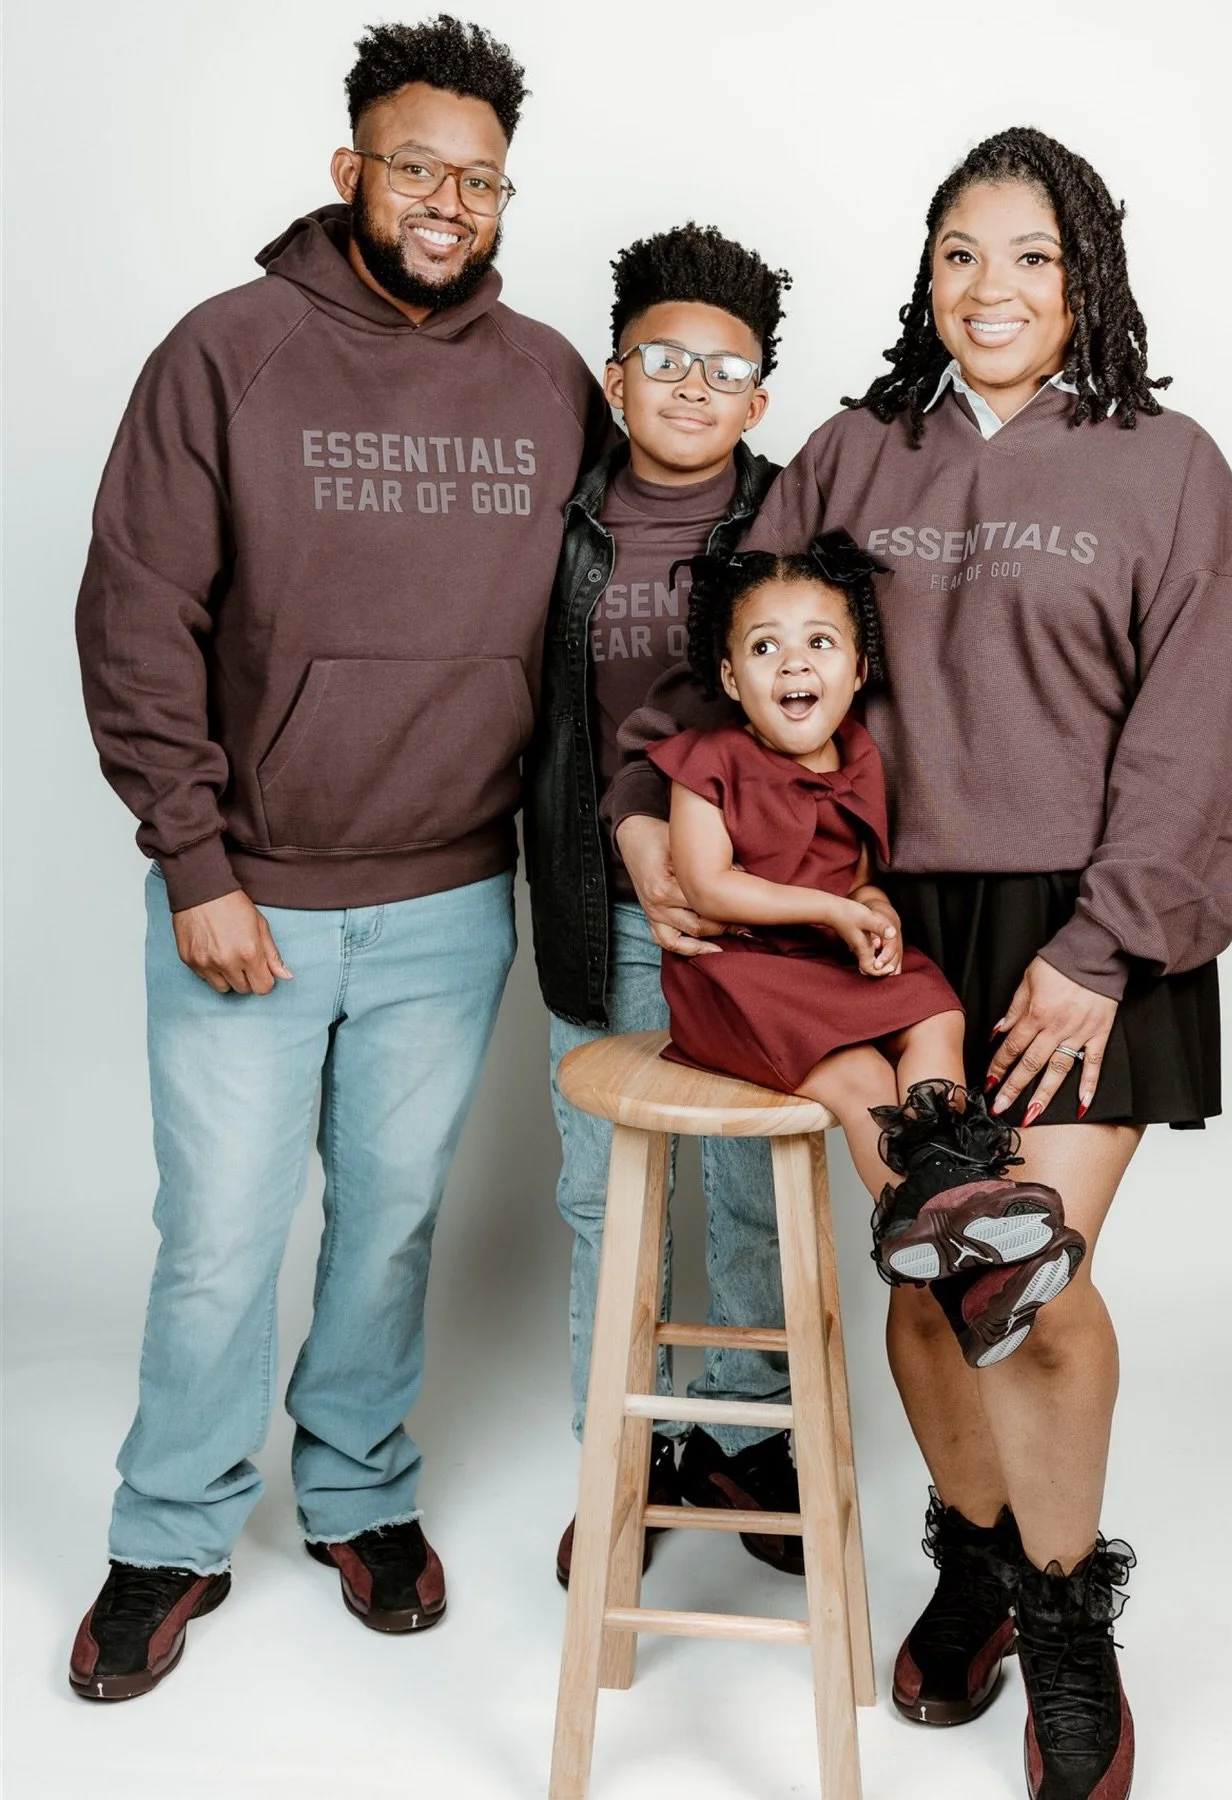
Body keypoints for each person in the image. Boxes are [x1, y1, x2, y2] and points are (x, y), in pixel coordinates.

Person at [604, 127, 1232, 1800]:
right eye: (961, 252)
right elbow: (731, 647)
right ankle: (971, 1555)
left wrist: (1106, 949)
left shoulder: (1167, 466)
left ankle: (1066, 1620)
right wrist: (639, 807)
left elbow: (1197, 737)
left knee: (1028, 1291)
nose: (993, 288)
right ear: (924, 274)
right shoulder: (849, 451)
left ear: (1088, 277)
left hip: (1084, 932)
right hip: (886, 924)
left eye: (1033, 255)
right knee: (929, 1270)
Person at [70, 15, 608, 1701]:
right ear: (349, 169)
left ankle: (361, 1494)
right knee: (222, 1235)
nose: (446, 199)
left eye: (478, 177)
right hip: (254, 896)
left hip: (453, 898)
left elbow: (622, 600)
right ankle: (168, 1532)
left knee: (386, 1226)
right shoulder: (224, 355)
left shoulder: (545, 382)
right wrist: (197, 863)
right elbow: (136, 622)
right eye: (414, 166)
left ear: (505, 194)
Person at [525, 225, 809, 1584]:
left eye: (725, 368)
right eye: (662, 359)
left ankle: (751, 1439)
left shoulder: (792, 524)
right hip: (600, 902)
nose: (691, 387)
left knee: (747, 1189)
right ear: (615, 375)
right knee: (603, 1195)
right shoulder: (558, 519)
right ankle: (618, 1454)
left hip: (754, 912)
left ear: (759, 400)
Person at [649, 534, 1087, 1367]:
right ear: (730, 678)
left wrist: (872, 907)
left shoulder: (858, 757)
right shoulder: (707, 761)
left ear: (856, 672)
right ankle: (971, 1258)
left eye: (819, 642)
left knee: (935, 1011)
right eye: (764, 646)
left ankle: (965, 1219)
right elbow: (708, 887)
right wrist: (831, 910)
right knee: (858, 1080)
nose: (792, 664)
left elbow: (854, 875)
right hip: (739, 974)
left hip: (824, 961)